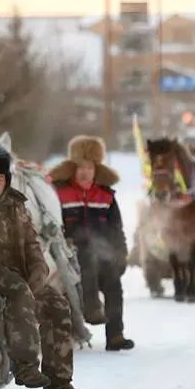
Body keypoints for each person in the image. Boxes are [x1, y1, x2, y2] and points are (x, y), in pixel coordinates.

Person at [0, 142, 87, 389]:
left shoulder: (15, 205)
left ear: (6, 180)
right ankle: (25, 365)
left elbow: (31, 242)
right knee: (18, 289)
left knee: (57, 303)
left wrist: (39, 268)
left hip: (20, 276)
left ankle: (59, 381)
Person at [49, 136, 135, 352]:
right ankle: (92, 306)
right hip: (69, 252)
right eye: (79, 167)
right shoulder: (59, 193)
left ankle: (115, 335)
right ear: (72, 168)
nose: (84, 172)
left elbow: (117, 229)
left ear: (96, 169)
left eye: (88, 167)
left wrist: (121, 254)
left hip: (104, 251)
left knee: (114, 284)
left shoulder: (106, 195)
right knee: (87, 253)